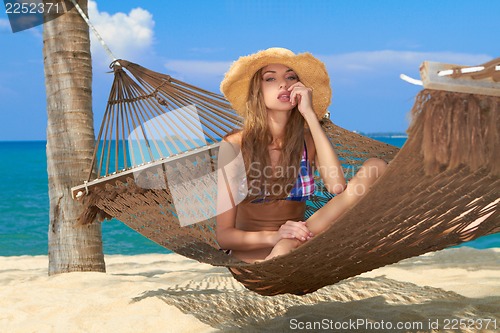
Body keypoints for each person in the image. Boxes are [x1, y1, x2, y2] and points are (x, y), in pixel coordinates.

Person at [216, 47, 387, 263]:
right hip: (255, 262)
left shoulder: (307, 140)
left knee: (376, 166)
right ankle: (284, 248)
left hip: (298, 249)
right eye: (270, 79)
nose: (283, 84)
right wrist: (276, 237)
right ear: (256, 92)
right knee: (286, 245)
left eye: (291, 77)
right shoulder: (234, 145)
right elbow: (224, 237)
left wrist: (310, 116)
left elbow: (337, 187)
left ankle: (287, 247)